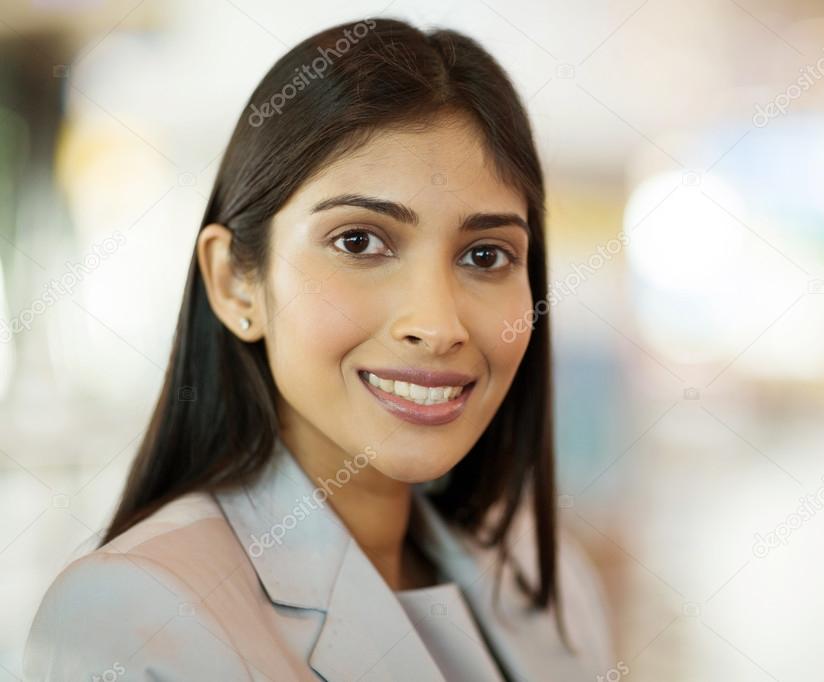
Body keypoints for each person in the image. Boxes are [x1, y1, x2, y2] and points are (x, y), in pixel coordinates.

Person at [23, 17, 614, 681]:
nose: (437, 324)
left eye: (485, 255)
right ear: (235, 282)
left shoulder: (546, 577)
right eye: (359, 242)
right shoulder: (129, 616)